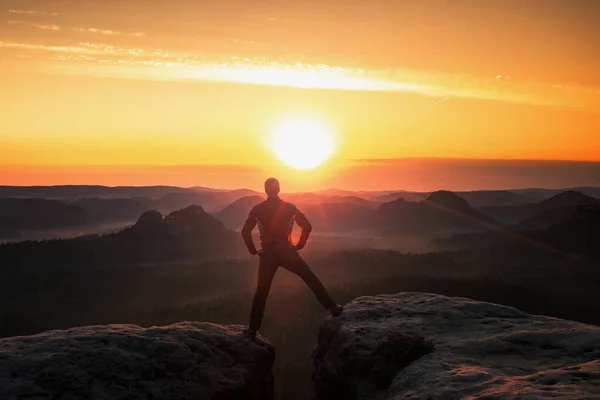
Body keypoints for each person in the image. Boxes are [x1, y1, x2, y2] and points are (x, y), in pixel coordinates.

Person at [241, 177, 343, 340]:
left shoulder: (257, 209)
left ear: (266, 190)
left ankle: (252, 329)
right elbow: (307, 226)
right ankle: (332, 307)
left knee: (262, 291)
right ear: (279, 189)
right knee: (309, 277)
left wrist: (254, 251)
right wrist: (299, 245)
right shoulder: (289, 208)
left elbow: (245, 232)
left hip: (267, 254)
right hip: (287, 251)